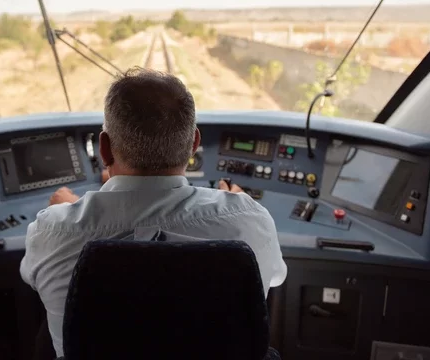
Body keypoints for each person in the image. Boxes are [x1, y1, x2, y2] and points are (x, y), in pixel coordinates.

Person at [20, 68, 287, 357]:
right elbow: (273, 280)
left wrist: (64, 210)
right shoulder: (251, 220)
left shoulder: (52, 230)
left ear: (105, 150)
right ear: (193, 145)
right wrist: (242, 206)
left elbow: (34, 281)